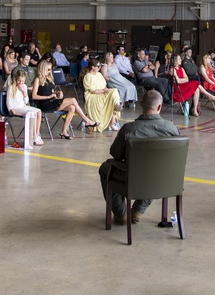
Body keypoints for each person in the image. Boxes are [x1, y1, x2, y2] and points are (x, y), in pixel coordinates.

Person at [98, 90, 181, 225]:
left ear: (141, 104)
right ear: (159, 107)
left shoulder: (129, 129)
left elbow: (116, 155)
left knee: (105, 169)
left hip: (134, 177)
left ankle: (121, 213)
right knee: (154, 170)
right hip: (165, 178)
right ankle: (138, 209)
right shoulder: (172, 129)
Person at [30, 59, 97, 138]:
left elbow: (51, 91)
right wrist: (47, 97)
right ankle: (87, 120)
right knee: (73, 100)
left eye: (50, 69)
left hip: (52, 100)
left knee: (72, 107)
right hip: (44, 103)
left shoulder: (49, 79)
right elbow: (34, 96)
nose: (49, 71)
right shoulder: (38, 79)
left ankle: (64, 131)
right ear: (43, 69)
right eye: (48, 69)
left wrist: (57, 93)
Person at [5, 67, 44, 146]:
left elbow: (26, 101)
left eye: (23, 81)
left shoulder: (24, 87)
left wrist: (24, 92)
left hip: (22, 106)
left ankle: (36, 134)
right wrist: (12, 110)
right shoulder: (11, 87)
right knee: (32, 113)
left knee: (38, 111)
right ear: (16, 79)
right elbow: (8, 101)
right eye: (19, 80)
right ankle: (34, 136)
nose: (21, 83)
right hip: (16, 108)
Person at [82, 59, 122, 132]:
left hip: (102, 93)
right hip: (93, 96)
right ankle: (112, 122)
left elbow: (104, 86)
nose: (99, 67)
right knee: (111, 99)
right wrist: (104, 91)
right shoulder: (88, 76)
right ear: (93, 67)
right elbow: (93, 91)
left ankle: (117, 105)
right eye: (98, 66)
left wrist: (107, 90)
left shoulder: (99, 74)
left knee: (114, 91)